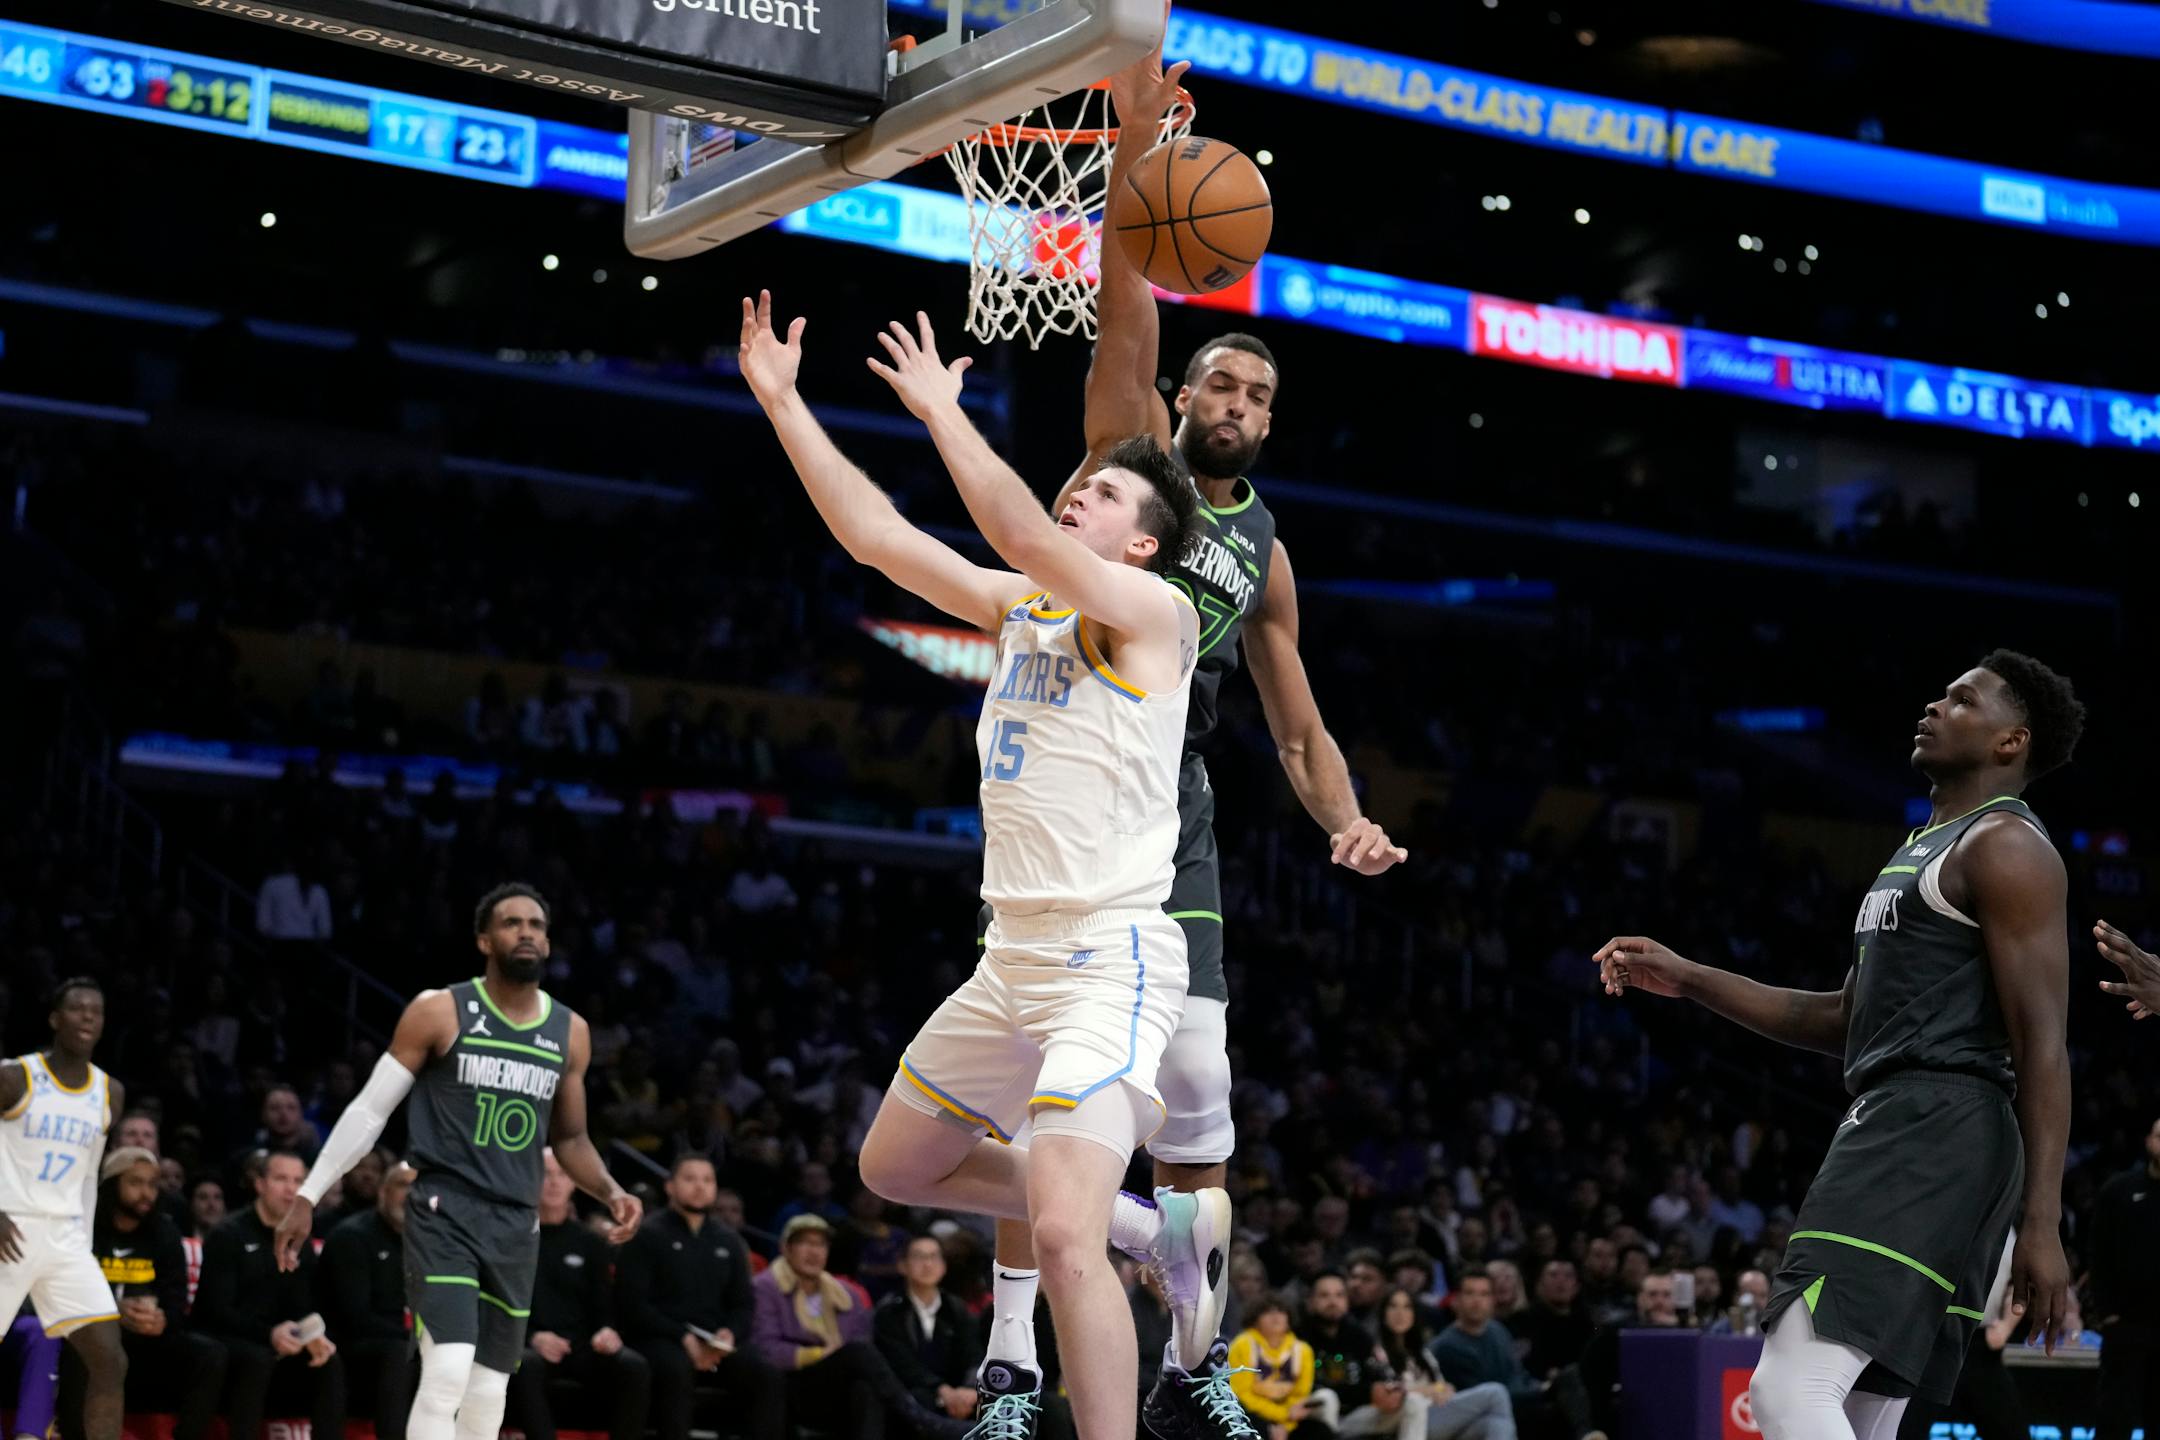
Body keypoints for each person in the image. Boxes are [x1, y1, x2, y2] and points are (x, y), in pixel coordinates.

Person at [987, 37, 1409, 1440]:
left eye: (1258, 398)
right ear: (1186, 397)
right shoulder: (1133, 461)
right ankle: (1010, 1367)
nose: (1235, 406)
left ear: (1271, 423)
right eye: (1221, 384)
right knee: (1037, 1077)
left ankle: (1192, 1363)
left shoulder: (1267, 553)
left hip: (1173, 810)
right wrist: (1133, 155)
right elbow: (1123, 314)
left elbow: (1299, 728)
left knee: (1202, 1091)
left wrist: (1344, 818)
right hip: (1068, 782)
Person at [739, 288, 1226, 1440]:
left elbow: (1022, 534)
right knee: (897, 1167)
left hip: (1111, 958)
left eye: (1103, 493)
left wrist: (942, 412)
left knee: (1060, 1233)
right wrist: (784, 403)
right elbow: (878, 538)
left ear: (1142, 542)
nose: (1078, 492)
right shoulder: (1023, 608)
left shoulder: (1155, 613)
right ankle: (1155, 1229)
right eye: (1078, 483)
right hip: (1012, 957)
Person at [1596, 651, 2083, 1440]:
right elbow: (1841, 1018)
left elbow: (2044, 1045)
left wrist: (2042, 1223)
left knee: (1788, 1390)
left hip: (1931, 1130)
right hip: (1922, 1126)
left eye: (1963, 700)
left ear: (2011, 742)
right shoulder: (1925, 846)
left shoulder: (2005, 845)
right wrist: (1689, 978)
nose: (1935, 706)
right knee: (1861, 1413)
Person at [274, 884, 644, 1440]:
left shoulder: (571, 1032)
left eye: (536, 925)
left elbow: (570, 1138)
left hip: (516, 1221)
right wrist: (309, 1193)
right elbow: (370, 1110)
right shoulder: (439, 1010)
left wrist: (611, 1191)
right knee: (447, 1370)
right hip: (444, 1208)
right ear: (484, 940)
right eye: (512, 923)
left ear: (548, 942)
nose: (526, 932)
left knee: (489, 1392)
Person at [0, 979, 129, 1440]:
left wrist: (82, 1241)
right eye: (77, 1008)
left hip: (66, 1241)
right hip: (11, 1231)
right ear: (55, 1019)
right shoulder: (15, 1077)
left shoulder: (109, 1093)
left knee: (109, 1360)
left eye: (97, 1010)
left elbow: (89, 1175)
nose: (88, 1016)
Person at [750, 1214, 966, 1438]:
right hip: (790, 1385)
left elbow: (863, 1342)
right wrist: (819, 1354)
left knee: (866, 1387)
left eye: (820, 1244)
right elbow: (766, 1348)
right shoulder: (766, 1287)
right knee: (858, 1353)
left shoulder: (845, 1293)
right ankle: (919, 1418)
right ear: (786, 1248)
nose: (814, 1252)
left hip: (834, 1386)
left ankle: (915, 1417)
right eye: (805, 1243)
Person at [617, 1154, 784, 1440]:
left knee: (766, 1373)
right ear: (670, 1186)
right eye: (690, 1179)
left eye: (707, 1180)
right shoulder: (647, 1234)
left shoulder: (729, 1240)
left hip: (715, 1342)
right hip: (661, 1337)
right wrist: (682, 1336)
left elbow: (743, 1304)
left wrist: (729, 1334)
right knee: (676, 1369)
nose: (699, 1186)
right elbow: (632, 1305)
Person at [194, 1149, 344, 1440]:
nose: (291, 1189)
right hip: (230, 1339)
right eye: (281, 1179)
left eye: (298, 1181)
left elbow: (305, 1304)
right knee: (258, 1358)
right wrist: (269, 1334)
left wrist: (312, 1333)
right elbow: (215, 1311)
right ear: (260, 1184)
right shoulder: (228, 1234)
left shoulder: (301, 1240)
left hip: (282, 1339)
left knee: (329, 1359)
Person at [505, 1150, 651, 1440]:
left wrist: (606, 1330)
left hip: (582, 1344)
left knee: (633, 1367)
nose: (554, 1182)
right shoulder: (512, 1238)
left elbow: (603, 1304)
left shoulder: (590, 1242)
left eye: (562, 1174)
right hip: (531, 1343)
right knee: (525, 1364)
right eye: (547, 1174)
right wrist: (532, 1337)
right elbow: (500, 1301)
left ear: (574, 1182)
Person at [83, 1148, 226, 1440]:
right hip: (94, 1334)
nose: (146, 1193)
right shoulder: (86, 1230)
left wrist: (164, 1319)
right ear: (111, 1184)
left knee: (211, 1354)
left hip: (147, 1338)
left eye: (152, 1184)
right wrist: (113, 1313)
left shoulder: (165, 1231)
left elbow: (176, 1299)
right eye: (136, 1183)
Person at [1430, 1270, 1599, 1440]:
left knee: (1569, 1375)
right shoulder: (1447, 1345)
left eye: (1484, 1294)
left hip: (1522, 1396)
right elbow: (1484, 1394)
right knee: (1555, 1411)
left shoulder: (1498, 1330)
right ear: (1455, 1301)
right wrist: (1539, 1391)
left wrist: (1540, 1386)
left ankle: (1588, 1434)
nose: (1477, 1301)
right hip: (1491, 1410)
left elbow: (1518, 1373)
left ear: (1492, 1300)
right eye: (1469, 1293)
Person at [320, 1161, 417, 1440]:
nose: (412, 1194)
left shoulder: (430, 1242)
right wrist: (416, 1338)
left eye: (418, 1187)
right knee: (401, 1351)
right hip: (351, 1344)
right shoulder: (352, 1237)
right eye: (403, 1185)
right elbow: (355, 1317)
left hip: (404, 1339)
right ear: (382, 1192)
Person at [1348, 1287, 1515, 1440]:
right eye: (1393, 1306)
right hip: (1406, 1419)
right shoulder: (1374, 1351)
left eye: (1407, 1307)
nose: (1400, 1313)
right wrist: (1429, 1390)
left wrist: (1442, 1389)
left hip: (1436, 1414)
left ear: (1414, 1315)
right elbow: (1388, 1393)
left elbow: (1441, 1386)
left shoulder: (1422, 1353)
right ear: (1383, 1314)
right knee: (1495, 1392)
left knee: (1495, 1424)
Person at [2091, 1120, 2160, 1438]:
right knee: (2114, 1419)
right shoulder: (2118, 1191)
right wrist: (2106, 1313)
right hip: (2126, 1327)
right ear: (2148, 1141)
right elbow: (2098, 1253)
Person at [874, 1235, 984, 1422]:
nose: (928, 1264)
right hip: (913, 1395)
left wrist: (968, 1388)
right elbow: (902, 1364)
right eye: (919, 1257)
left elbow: (973, 1353)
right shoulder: (890, 1311)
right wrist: (942, 1390)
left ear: (944, 1266)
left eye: (934, 1257)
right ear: (902, 1265)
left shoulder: (956, 1308)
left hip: (959, 1395)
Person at [1225, 1296, 1323, 1439]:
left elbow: (1300, 1395)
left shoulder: (1303, 1350)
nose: (1276, 1316)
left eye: (1281, 1311)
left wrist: (1286, 1426)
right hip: (1252, 1413)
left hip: (1291, 1417)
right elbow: (1241, 1394)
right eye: (1268, 1312)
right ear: (1255, 1320)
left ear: (1289, 1319)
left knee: (1321, 1430)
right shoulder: (1242, 1345)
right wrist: (1281, 1416)